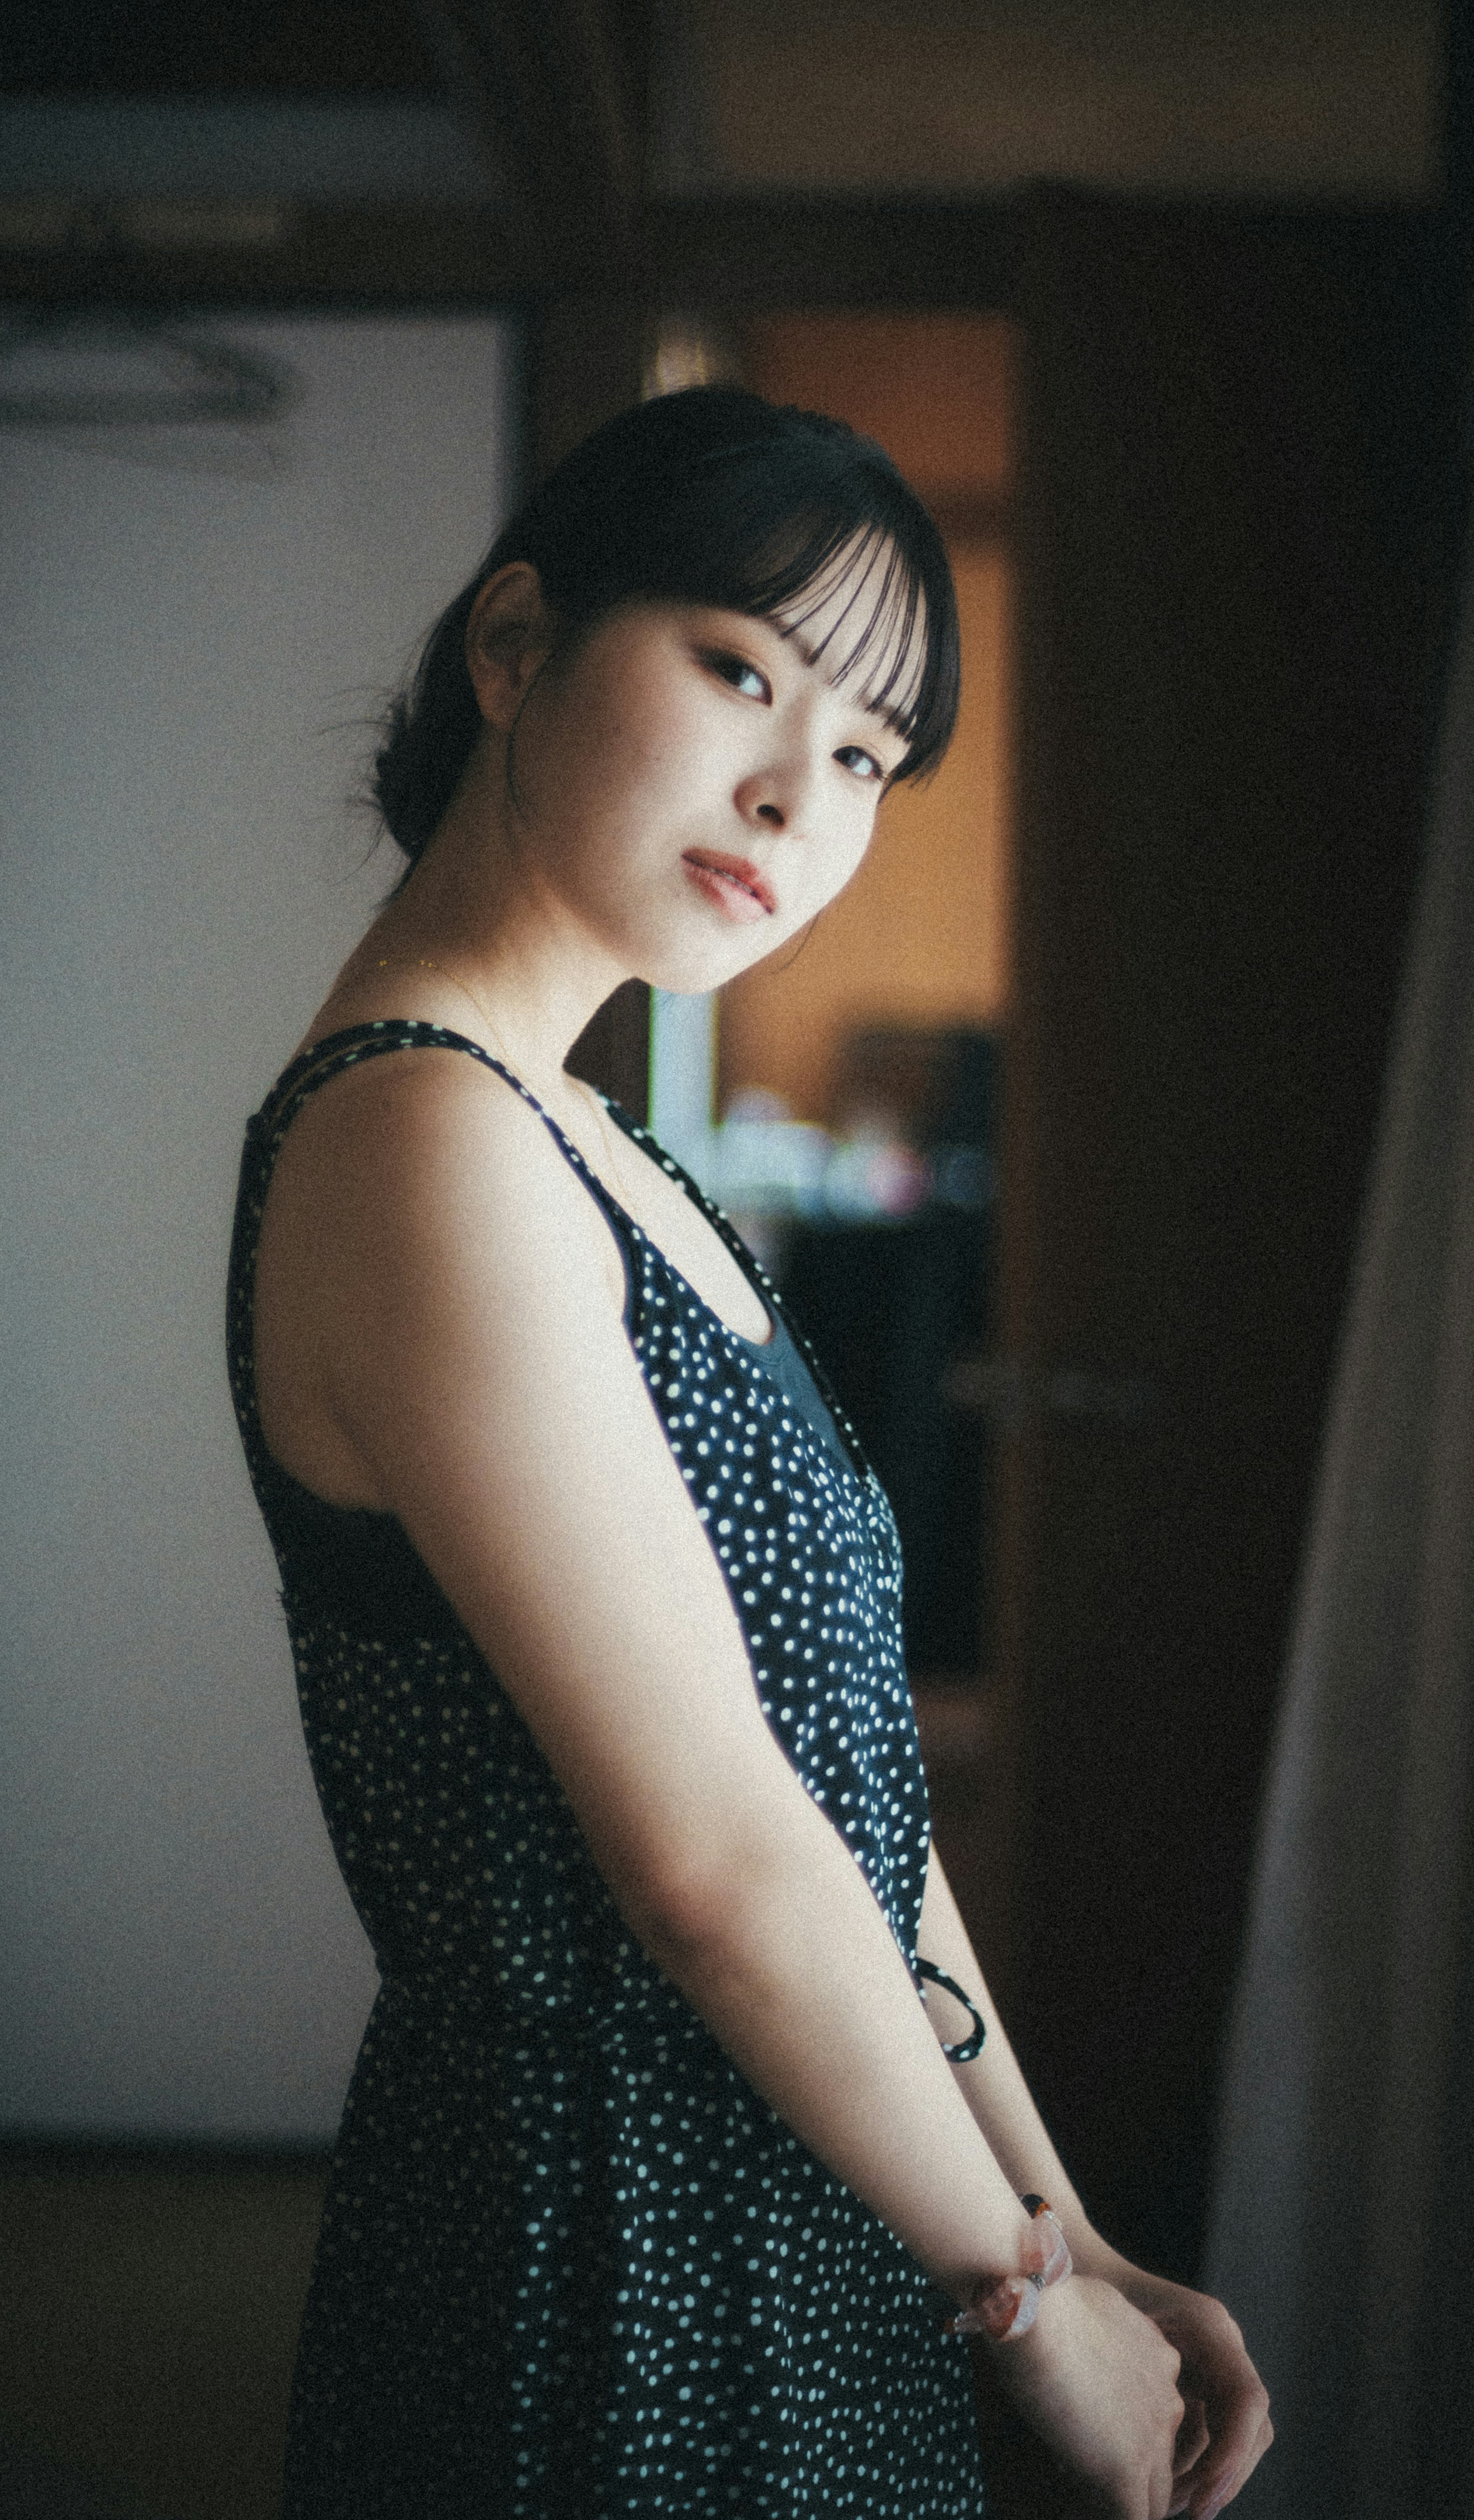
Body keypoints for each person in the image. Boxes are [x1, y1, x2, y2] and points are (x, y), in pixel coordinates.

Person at [226, 386, 1272, 2519]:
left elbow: (837, 1802)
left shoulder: (603, 1148)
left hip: (809, 2197)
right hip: (606, 2265)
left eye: (871, 753)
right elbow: (712, 1860)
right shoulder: (424, 1136)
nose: (801, 792)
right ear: (516, 645)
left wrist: (1062, 2230)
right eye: (741, 670)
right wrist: (1019, 2298)